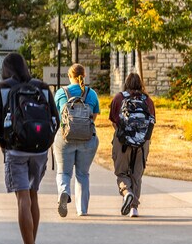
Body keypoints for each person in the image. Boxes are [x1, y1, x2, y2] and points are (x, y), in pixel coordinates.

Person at [0, 52, 59, 244]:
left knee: (22, 198)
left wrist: (4, 144)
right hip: (39, 150)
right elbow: (54, 119)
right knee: (33, 195)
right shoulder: (41, 86)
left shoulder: (1, 88)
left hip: (16, 150)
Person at [53, 63, 100, 217]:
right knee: (83, 174)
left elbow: (55, 116)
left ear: (69, 76)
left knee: (64, 172)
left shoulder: (61, 92)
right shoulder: (91, 94)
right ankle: (82, 209)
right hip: (87, 139)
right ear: (84, 76)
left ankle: (64, 191)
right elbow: (93, 117)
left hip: (65, 138)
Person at [109, 72, 156, 218]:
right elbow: (152, 122)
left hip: (122, 141)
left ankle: (126, 192)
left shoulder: (119, 98)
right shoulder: (147, 100)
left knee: (122, 172)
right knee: (136, 174)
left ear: (126, 83)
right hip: (142, 143)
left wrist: (124, 134)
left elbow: (113, 120)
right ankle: (134, 208)